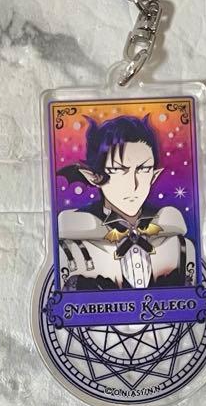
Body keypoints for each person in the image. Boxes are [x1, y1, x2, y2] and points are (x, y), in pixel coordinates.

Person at [56, 115, 195, 291]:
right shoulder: (71, 248)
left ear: (154, 175)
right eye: (118, 170)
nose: (133, 184)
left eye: (143, 169)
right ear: (94, 177)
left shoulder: (179, 246)